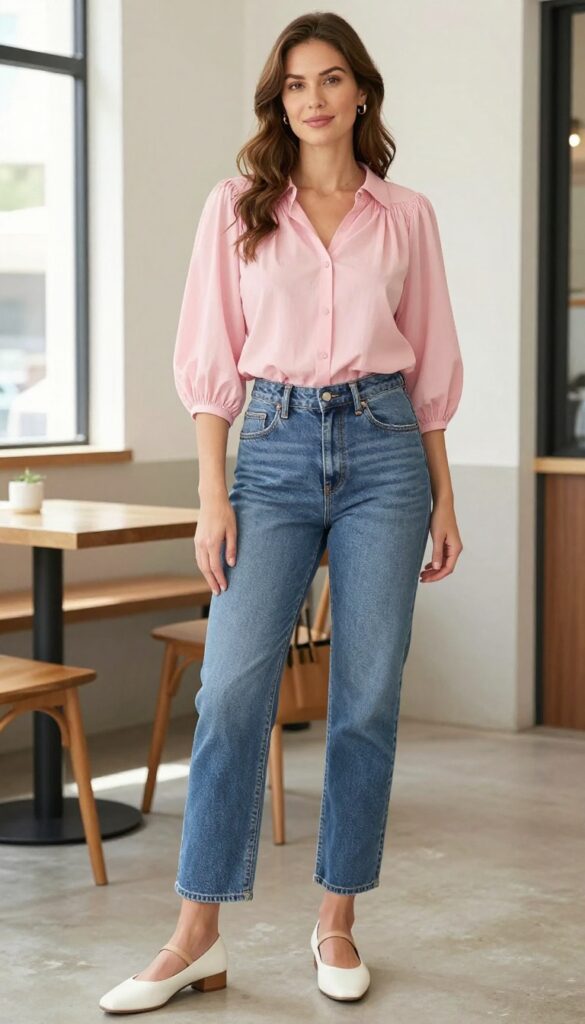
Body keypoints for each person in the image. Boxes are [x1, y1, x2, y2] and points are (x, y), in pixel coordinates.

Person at [99, 10, 463, 1014]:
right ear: (279, 100)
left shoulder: (406, 216)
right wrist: (209, 494)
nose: (313, 98)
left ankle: (336, 919)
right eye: (296, 83)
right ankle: (195, 936)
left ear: (360, 92)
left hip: (387, 450)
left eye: (331, 78)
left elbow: (430, 360)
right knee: (229, 692)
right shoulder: (238, 206)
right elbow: (209, 356)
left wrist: (445, 493)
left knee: (366, 696)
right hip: (271, 448)